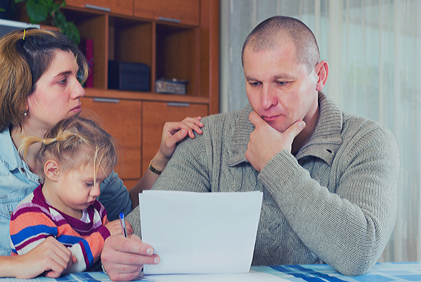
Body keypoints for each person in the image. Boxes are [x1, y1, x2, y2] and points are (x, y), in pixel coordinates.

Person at [101, 15, 399, 280]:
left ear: (319, 76)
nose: (265, 101)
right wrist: (118, 253)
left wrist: (274, 162)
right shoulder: (208, 138)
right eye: (254, 83)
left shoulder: (368, 140)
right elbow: (140, 233)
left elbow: (359, 251)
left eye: (282, 82)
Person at [0, 28, 203, 279]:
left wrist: (161, 158)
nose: (80, 90)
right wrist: (17, 265)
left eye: (77, 78)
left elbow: (126, 209)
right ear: (20, 98)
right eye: (62, 80)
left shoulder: (82, 145)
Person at [10, 116, 132, 273]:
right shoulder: (29, 215)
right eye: (89, 183)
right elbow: (51, 268)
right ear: (53, 171)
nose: (97, 192)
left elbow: (105, 255)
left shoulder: (96, 211)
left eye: (100, 182)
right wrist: (103, 237)